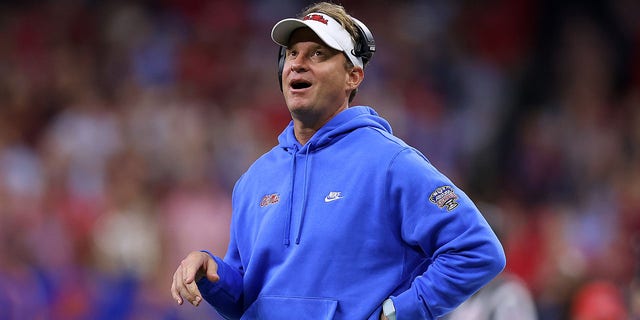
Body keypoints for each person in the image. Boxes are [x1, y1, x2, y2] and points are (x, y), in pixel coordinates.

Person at [170, 2, 506, 319]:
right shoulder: (254, 179)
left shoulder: (391, 164)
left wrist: (397, 313)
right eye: (292, 54)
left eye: (318, 53)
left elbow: (477, 251)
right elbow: (247, 298)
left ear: (353, 76)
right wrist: (209, 272)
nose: (298, 63)